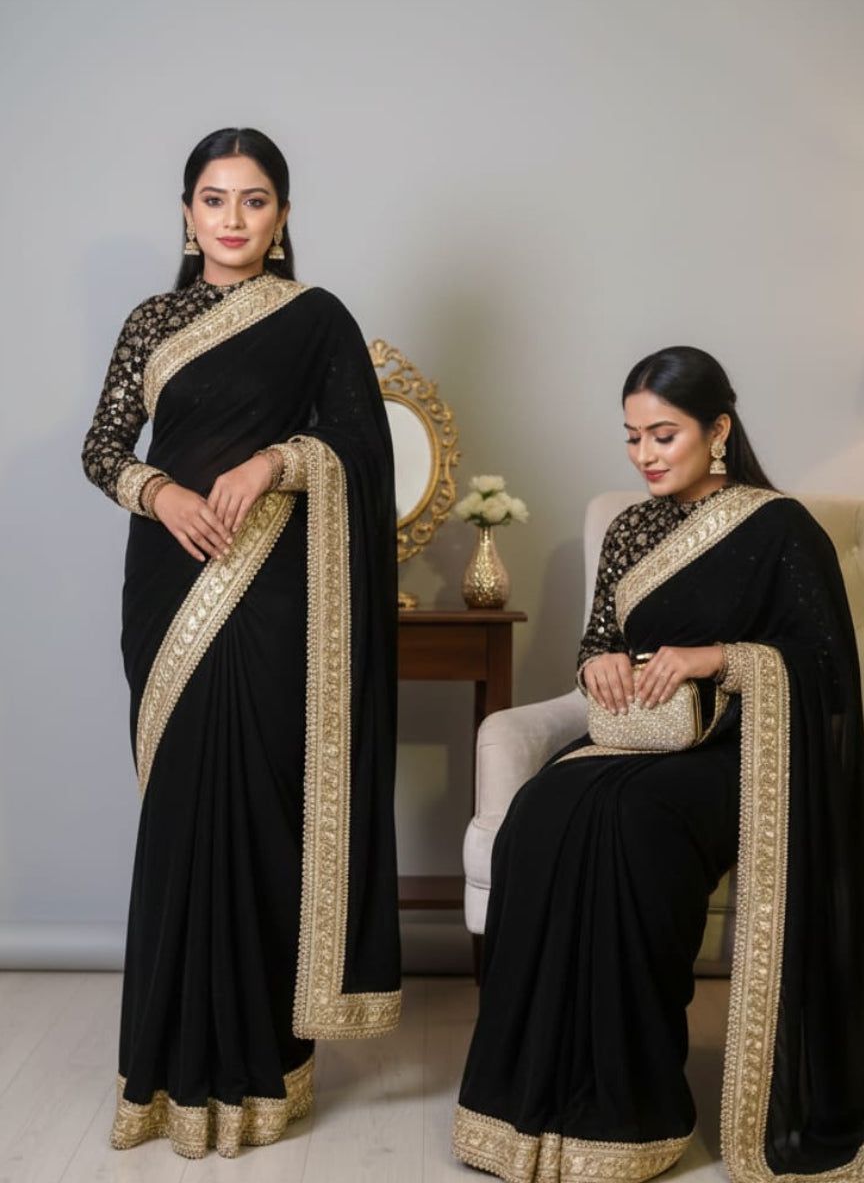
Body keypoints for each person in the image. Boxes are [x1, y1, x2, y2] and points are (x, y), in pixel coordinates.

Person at [452, 346, 864, 1183]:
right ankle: (524, 1104)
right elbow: (599, 641)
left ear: (717, 430)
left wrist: (721, 657)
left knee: (631, 824)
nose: (645, 454)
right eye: (633, 436)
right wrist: (596, 667)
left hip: (740, 755)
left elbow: (826, 673)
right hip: (636, 737)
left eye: (664, 435)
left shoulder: (779, 527)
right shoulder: (633, 529)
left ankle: (627, 1109)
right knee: (539, 814)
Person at [82, 127, 401, 1160]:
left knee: (262, 811)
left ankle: (263, 1069)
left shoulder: (318, 320)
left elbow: (362, 448)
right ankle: (166, 1073)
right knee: (181, 821)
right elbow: (101, 445)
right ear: (186, 212)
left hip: (277, 598)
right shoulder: (152, 321)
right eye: (213, 199)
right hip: (167, 588)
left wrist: (278, 459)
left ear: (283, 214)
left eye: (253, 199)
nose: (231, 217)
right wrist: (159, 488)